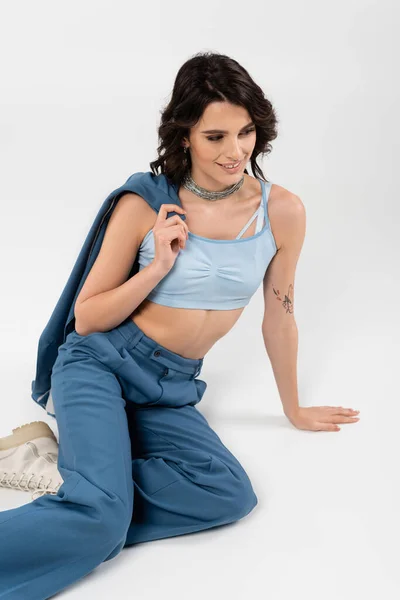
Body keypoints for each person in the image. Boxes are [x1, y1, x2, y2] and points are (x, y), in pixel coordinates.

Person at [0, 51, 360, 599]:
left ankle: (77, 485)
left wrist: (293, 407)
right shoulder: (148, 203)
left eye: (246, 132)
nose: (235, 151)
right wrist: (159, 267)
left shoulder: (282, 211)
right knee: (101, 518)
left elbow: (280, 315)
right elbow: (89, 318)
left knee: (227, 494)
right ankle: (94, 505)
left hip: (169, 387)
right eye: (216, 136)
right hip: (101, 364)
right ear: (185, 134)